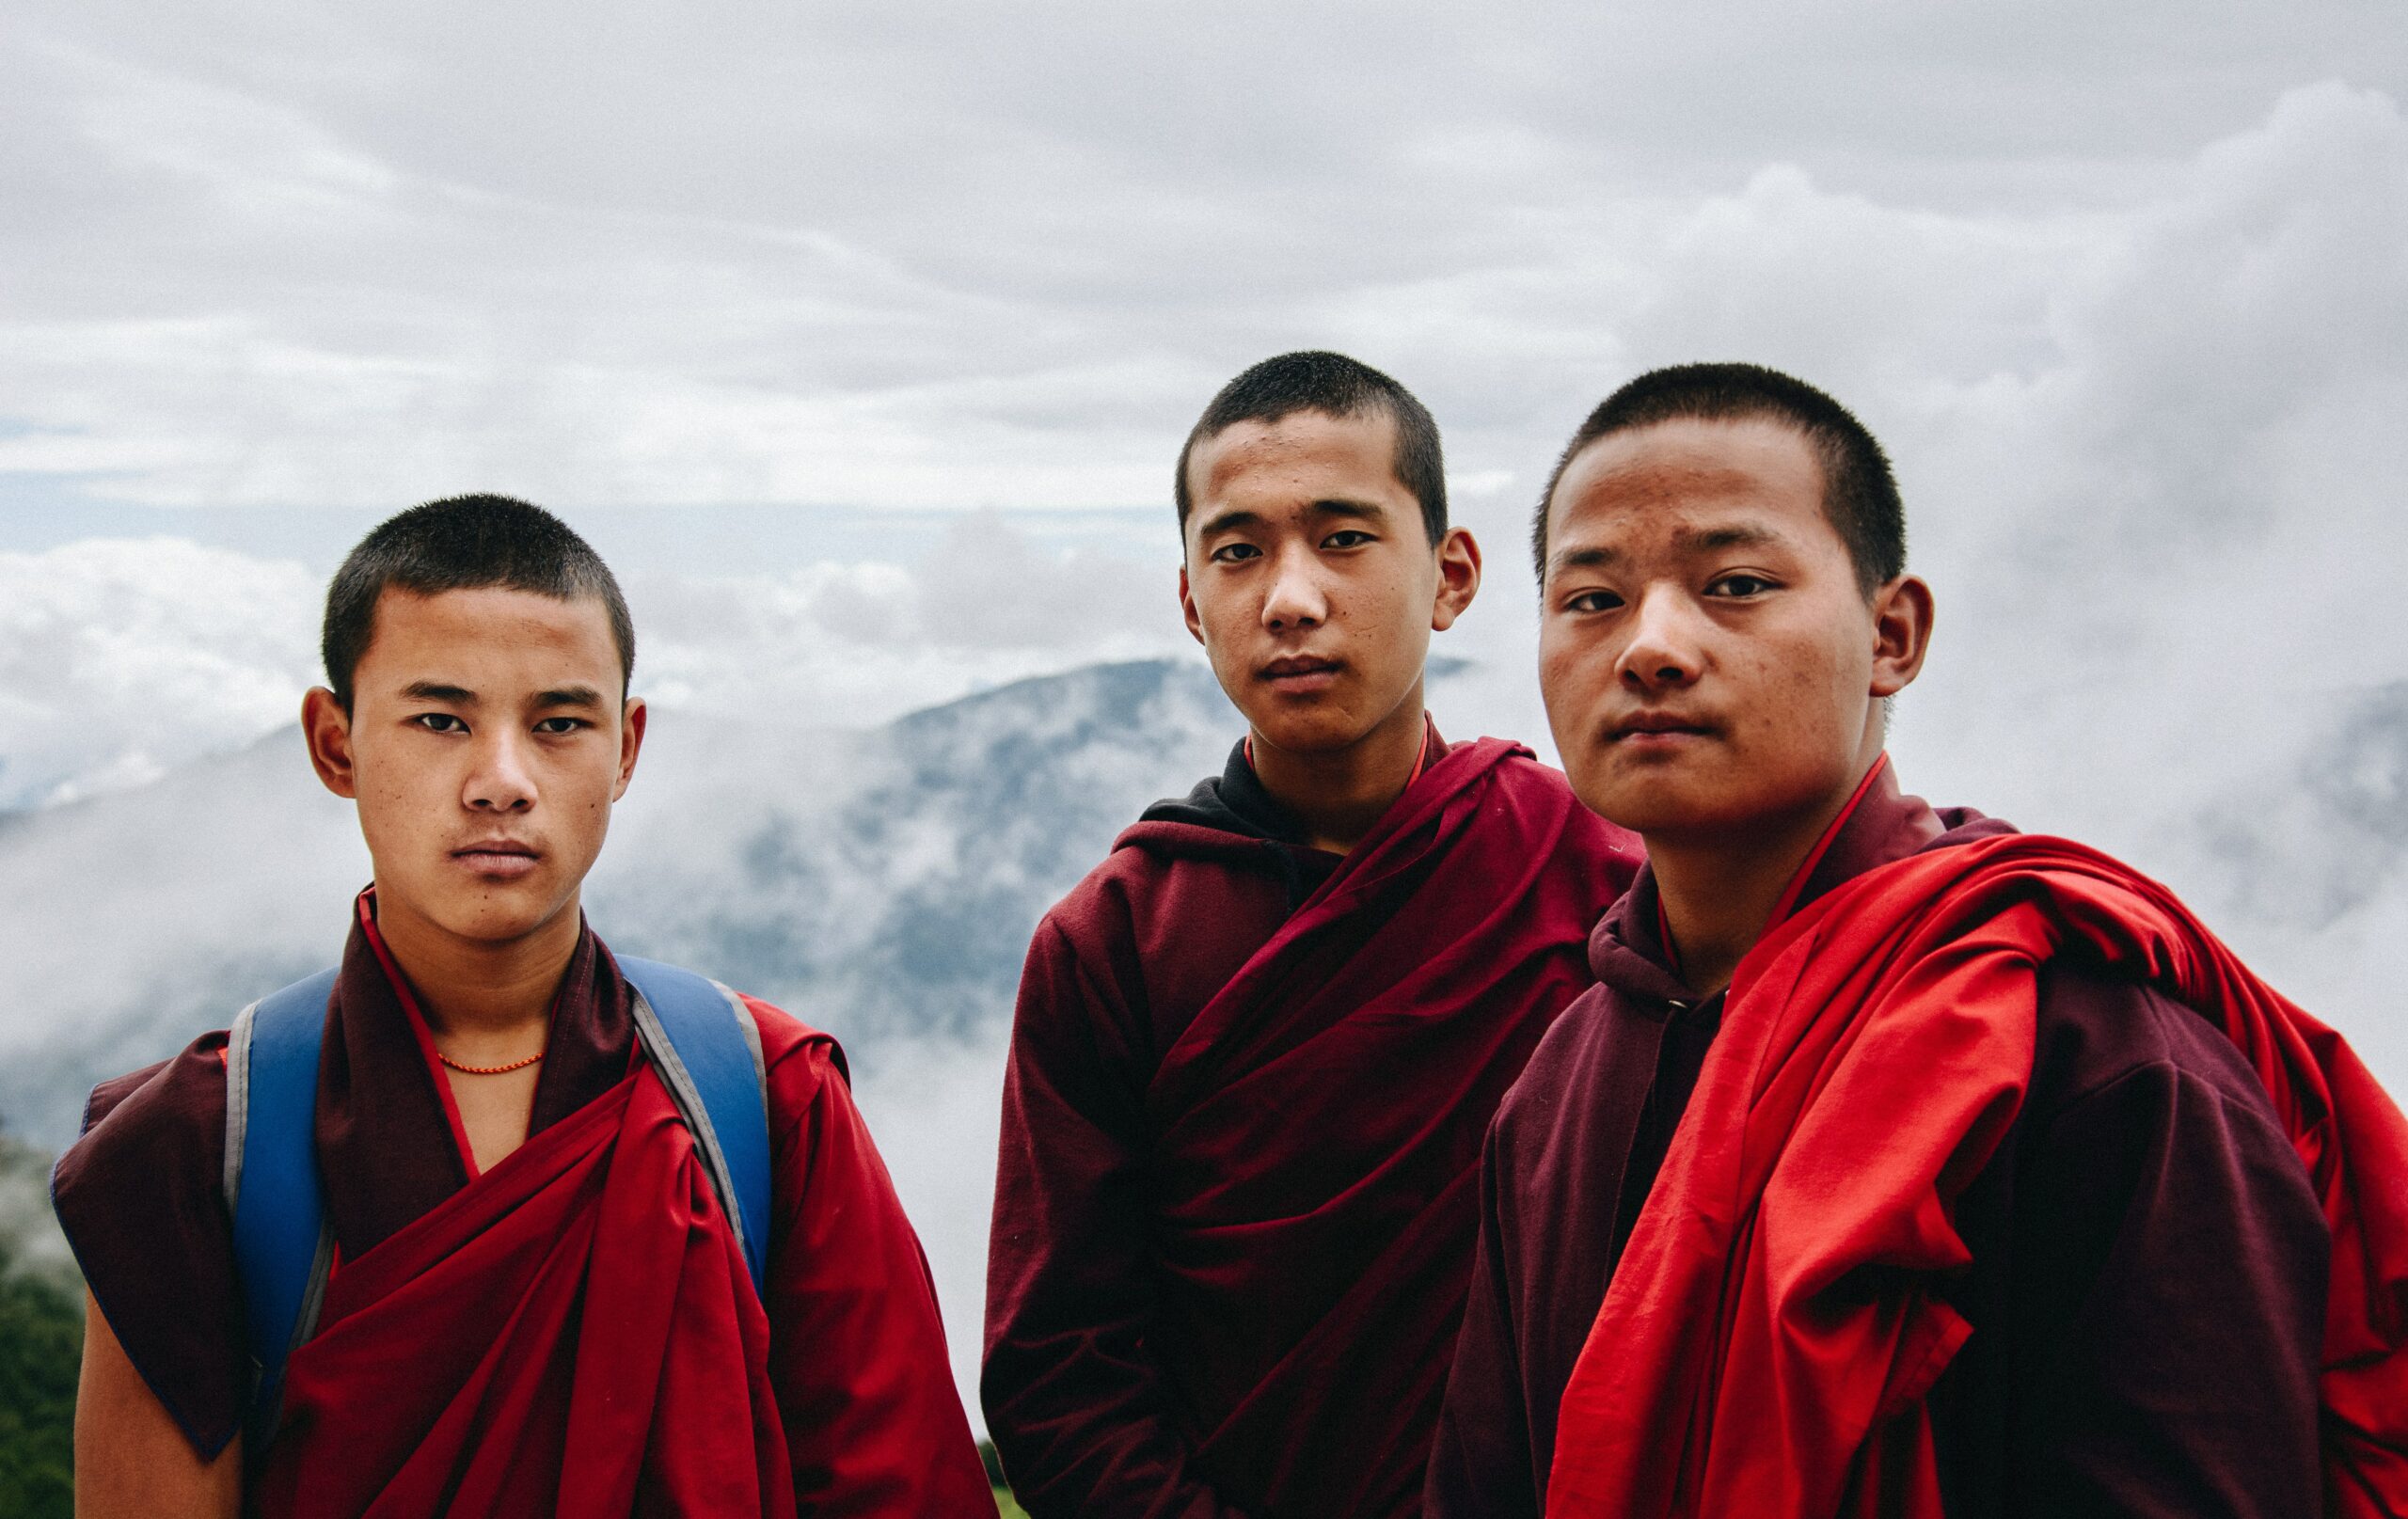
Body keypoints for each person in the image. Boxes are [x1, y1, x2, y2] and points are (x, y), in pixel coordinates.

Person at [1425, 362, 2408, 1518]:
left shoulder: (2087, 1055)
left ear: (1893, 634)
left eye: (1733, 583)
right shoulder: (1560, 1083)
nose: (1651, 646)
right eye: (1592, 600)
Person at [51, 495, 993, 1518]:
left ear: (625, 748)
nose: (501, 780)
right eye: (441, 719)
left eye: (558, 724)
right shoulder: (194, 1148)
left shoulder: (765, 1098)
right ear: (336, 744)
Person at [982, 351, 1641, 1518]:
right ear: (1192, 602)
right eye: (1237, 552)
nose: (1289, 598)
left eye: (1343, 538)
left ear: (1450, 575)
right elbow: (1057, 1374)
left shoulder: (1593, 870)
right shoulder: (1115, 943)